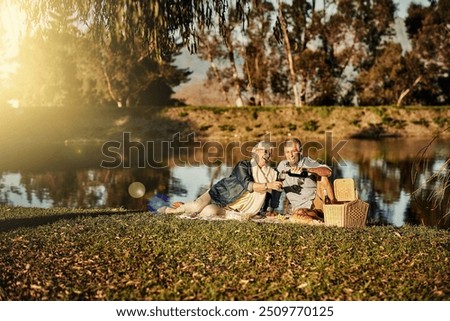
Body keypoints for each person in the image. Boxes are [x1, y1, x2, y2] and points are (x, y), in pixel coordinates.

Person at [159, 141, 283, 220]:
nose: (268, 155)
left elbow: (274, 194)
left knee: (207, 213)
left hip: (233, 209)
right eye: (265, 151)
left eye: (270, 153)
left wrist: (271, 210)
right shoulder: (243, 165)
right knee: (196, 206)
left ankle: (186, 206)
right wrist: (269, 185)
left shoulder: (272, 174)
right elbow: (248, 185)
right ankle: (170, 210)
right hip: (220, 194)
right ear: (254, 152)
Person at [270, 138, 335, 223]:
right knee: (300, 213)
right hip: (300, 208)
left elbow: (328, 171)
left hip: (317, 203)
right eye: (287, 152)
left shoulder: (307, 162)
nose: (291, 155)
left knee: (323, 177)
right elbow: (276, 189)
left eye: (293, 151)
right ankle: (320, 219)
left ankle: (333, 211)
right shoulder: (282, 166)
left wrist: (308, 170)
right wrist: (271, 208)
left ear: (300, 151)